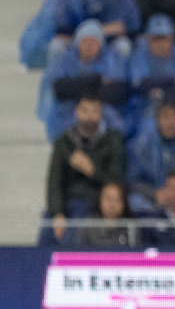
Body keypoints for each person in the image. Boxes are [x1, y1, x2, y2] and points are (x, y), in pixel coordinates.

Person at [44, 96, 127, 244]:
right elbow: (54, 182)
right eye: (85, 110)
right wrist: (57, 212)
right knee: (47, 229)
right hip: (69, 201)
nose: (89, 116)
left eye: (95, 111)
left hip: (98, 202)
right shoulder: (64, 142)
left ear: (101, 114)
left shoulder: (112, 142)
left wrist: (92, 171)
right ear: (76, 112)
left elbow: (116, 179)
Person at [126, 97, 175, 216]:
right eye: (166, 117)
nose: (171, 123)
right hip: (152, 199)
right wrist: (154, 194)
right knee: (134, 202)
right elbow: (133, 181)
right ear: (157, 120)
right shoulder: (142, 146)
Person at [79, 182, 137, 249]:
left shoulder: (131, 227)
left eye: (117, 199)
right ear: (99, 200)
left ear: (124, 203)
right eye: (108, 198)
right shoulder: (88, 226)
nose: (112, 205)